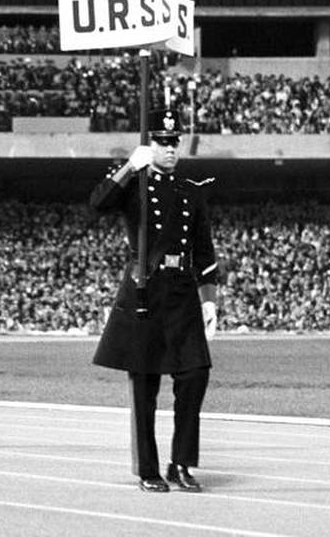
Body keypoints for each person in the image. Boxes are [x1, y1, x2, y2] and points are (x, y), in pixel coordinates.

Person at [89, 108, 220, 493]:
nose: (170, 149)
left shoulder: (190, 190)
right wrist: (130, 166)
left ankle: (181, 462)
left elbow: (204, 248)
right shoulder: (135, 184)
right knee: (144, 385)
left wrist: (209, 300)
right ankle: (148, 468)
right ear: (149, 144)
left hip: (181, 292)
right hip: (145, 288)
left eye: (174, 142)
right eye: (162, 142)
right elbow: (97, 204)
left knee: (195, 374)